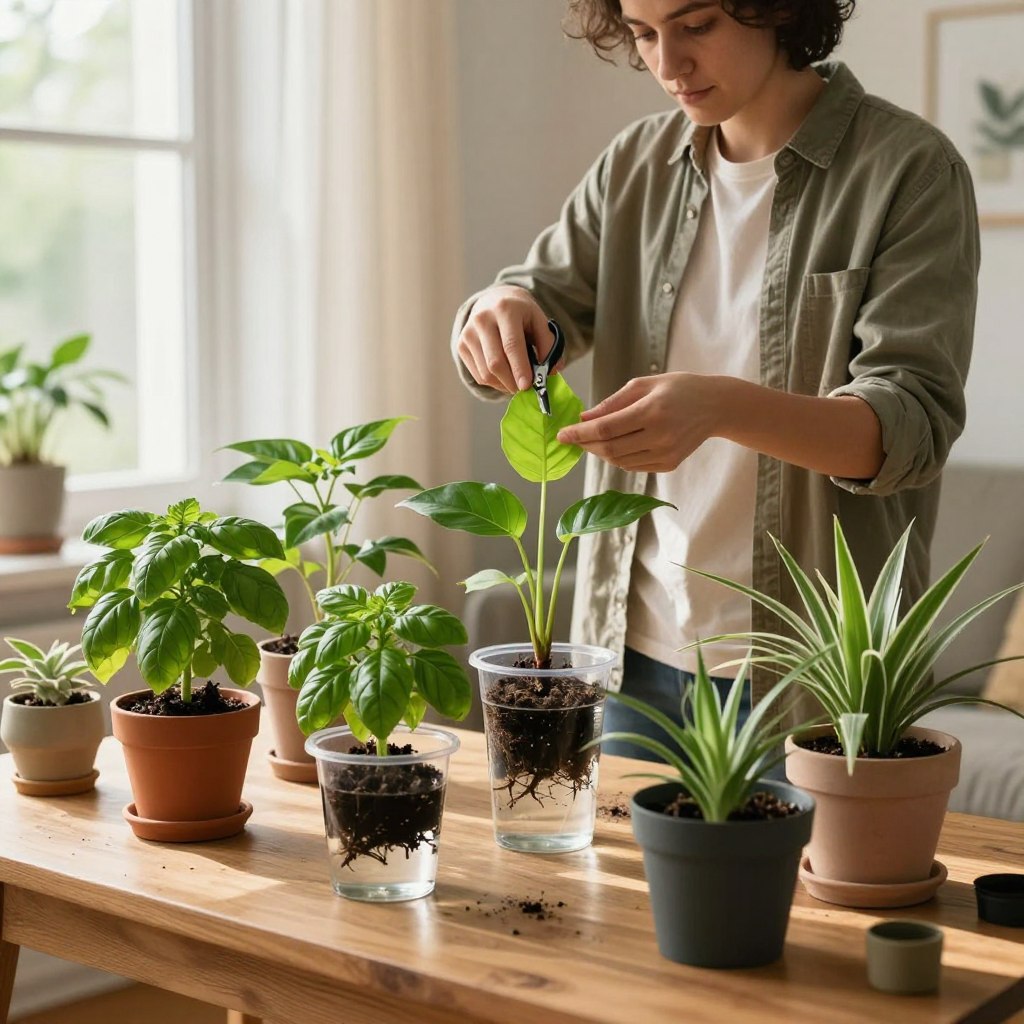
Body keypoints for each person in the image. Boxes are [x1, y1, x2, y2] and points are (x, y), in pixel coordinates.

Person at [450, 0, 980, 758]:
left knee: (817, 885)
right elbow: (541, 298)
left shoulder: (909, 170)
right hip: (632, 657)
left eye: (696, 25)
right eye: (643, 33)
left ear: (779, 10)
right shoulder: (635, 165)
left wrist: (721, 407)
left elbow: (908, 430)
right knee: (614, 883)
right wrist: (499, 308)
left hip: (816, 675)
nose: (668, 64)